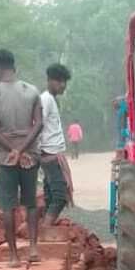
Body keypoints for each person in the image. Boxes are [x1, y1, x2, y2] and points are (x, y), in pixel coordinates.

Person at [0, 49, 43, 266]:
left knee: (8, 206)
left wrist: (12, 150)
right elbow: (39, 124)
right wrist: (23, 149)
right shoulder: (32, 91)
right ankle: (34, 248)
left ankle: (14, 256)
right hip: (30, 156)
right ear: (13, 66)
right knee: (31, 204)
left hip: (5, 158)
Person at [39, 63, 76, 229]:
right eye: (60, 81)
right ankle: (45, 230)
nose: (63, 85)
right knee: (60, 196)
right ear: (50, 80)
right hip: (50, 154)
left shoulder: (51, 100)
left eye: (65, 82)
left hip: (52, 154)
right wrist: (38, 151)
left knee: (50, 195)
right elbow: (38, 125)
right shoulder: (46, 99)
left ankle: (45, 235)